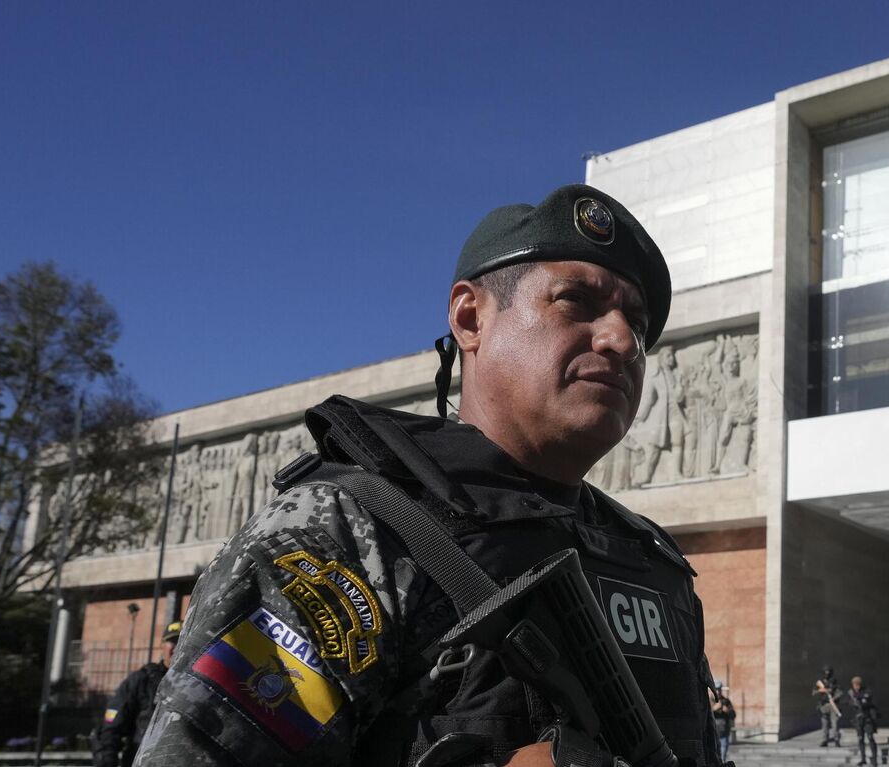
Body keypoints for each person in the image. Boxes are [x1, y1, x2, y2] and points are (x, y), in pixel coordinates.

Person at [133, 184, 725, 767]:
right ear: (471, 317)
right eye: (576, 301)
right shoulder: (344, 535)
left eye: (638, 324)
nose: (623, 339)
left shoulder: (652, 562)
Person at [93, 622, 181, 767]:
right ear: (162, 645)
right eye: (173, 641)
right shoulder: (141, 680)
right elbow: (111, 730)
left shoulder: (200, 685)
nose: (177, 647)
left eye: (183, 641)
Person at [846, 676, 881, 767]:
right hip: (858, 719)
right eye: (854, 685)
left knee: (870, 737)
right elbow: (848, 702)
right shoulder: (850, 693)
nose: (856, 687)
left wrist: (859, 699)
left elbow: (868, 700)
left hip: (867, 718)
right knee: (860, 738)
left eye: (857, 685)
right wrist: (853, 702)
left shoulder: (866, 691)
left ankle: (874, 758)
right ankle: (863, 759)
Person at [813, 666, 843, 747]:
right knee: (824, 723)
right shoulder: (820, 682)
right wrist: (821, 690)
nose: (827, 674)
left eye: (828, 672)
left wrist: (833, 698)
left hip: (833, 704)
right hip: (823, 705)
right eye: (825, 672)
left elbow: (840, 692)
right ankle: (824, 740)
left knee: (835, 723)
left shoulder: (834, 681)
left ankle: (836, 739)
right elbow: (814, 692)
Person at [710, 685, 736, 763]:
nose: (718, 692)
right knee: (713, 758)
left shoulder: (726, 701)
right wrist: (714, 709)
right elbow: (703, 714)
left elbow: (733, 715)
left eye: (719, 689)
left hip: (724, 733)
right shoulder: (709, 700)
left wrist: (728, 711)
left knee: (722, 757)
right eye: (716, 689)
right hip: (712, 734)